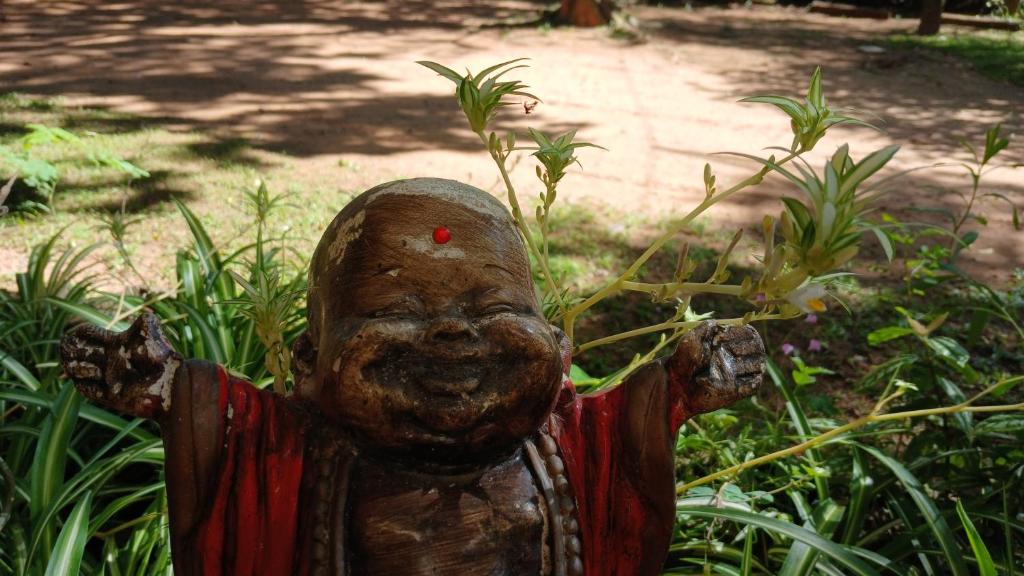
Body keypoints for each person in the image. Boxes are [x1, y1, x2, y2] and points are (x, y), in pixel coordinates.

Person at [61, 177, 764, 576]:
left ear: (558, 345)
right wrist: (167, 388)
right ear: (308, 364)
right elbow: (225, 425)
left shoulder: (577, 451)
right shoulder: (283, 451)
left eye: (491, 308)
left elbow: (627, 435)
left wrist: (681, 386)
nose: (452, 332)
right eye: (396, 312)